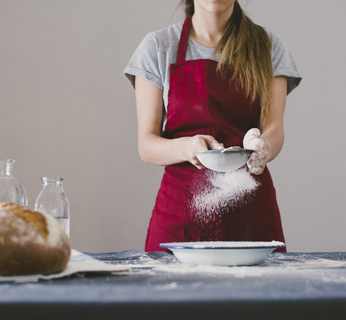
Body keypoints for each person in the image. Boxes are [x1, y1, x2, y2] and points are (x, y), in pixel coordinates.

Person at [124, 0, 301, 252]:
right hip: (180, 216)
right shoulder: (158, 47)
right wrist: (188, 147)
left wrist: (264, 147)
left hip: (250, 211)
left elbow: (274, 127)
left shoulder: (269, 47)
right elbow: (147, 144)